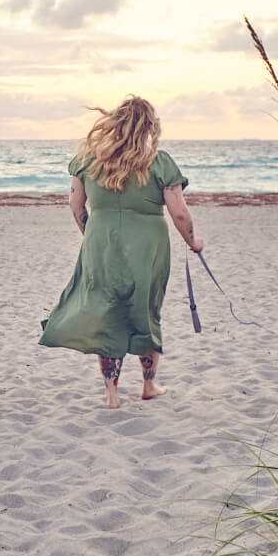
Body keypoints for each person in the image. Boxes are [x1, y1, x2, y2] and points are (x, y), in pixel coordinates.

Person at [38, 96, 204, 409]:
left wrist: (92, 238)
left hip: (100, 242)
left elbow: (76, 206)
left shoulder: (88, 160)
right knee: (145, 309)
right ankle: (148, 385)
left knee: (108, 312)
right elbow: (180, 213)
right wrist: (193, 242)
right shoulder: (160, 162)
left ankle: (112, 394)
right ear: (149, 127)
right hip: (148, 246)